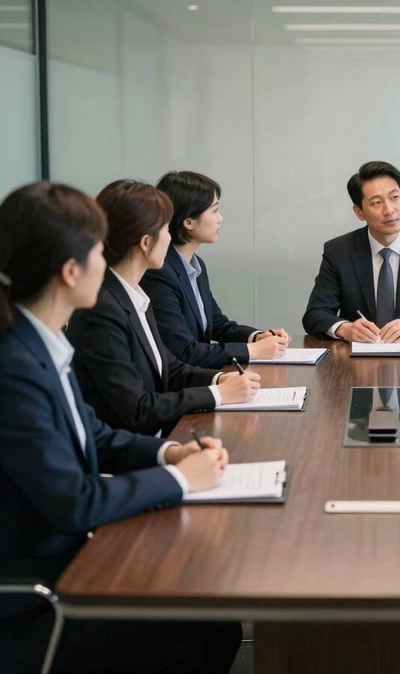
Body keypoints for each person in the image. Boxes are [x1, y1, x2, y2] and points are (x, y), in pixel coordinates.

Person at [0, 181, 241, 674]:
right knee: (206, 633)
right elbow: (76, 500)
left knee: (216, 622)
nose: (104, 258)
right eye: (96, 248)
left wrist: (168, 455)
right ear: (70, 272)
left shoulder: (40, 344)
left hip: (75, 562)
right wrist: (180, 480)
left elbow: (96, 435)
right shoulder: (16, 368)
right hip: (40, 597)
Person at [67, 180, 262, 436]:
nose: (170, 239)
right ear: (146, 243)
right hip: (128, 452)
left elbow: (170, 367)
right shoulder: (102, 310)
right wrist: (217, 394)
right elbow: (137, 409)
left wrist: (219, 380)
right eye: (166, 230)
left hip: (153, 440)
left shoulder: (134, 295)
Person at [141, 170, 290, 368]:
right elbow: (184, 350)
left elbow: (217, 324)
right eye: (214, 210)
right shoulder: (160, 273)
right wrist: (253, 351)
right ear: (188, 222)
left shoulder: (195, 264)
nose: (220, 218)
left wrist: (257, 337)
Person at [302, 160, 400, 342]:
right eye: (377, 202)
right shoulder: (338, 251)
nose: (389, 210)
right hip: (355, 363)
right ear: (359, 212)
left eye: (395, 197)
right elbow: (315, 315)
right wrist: (345, 329)